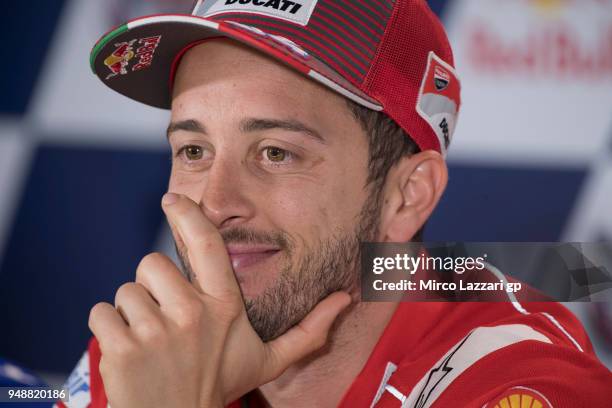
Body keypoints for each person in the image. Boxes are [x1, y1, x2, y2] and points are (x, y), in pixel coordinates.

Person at [56, 0, 612, 407]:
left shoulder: (515, 381)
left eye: (275, 152)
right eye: (194, 149)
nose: (215, 203)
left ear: (406, 196)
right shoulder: (155, 343)